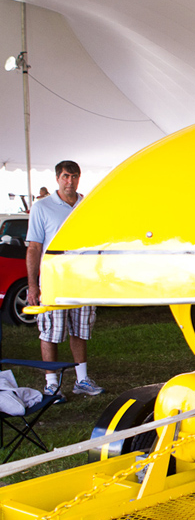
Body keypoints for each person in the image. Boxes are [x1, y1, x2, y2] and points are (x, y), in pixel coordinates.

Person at [25, 161, 103, 398]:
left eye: (75, 176)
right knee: (51, 331)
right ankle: (51, 384)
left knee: (80, 330)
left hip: (82, 281)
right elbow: (34, 247)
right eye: (66, 176)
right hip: (53, 281)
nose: (71, 181)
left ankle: (82, 380)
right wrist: (32, 285)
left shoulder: (88, 204)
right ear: (58, 178)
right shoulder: (42, 207)